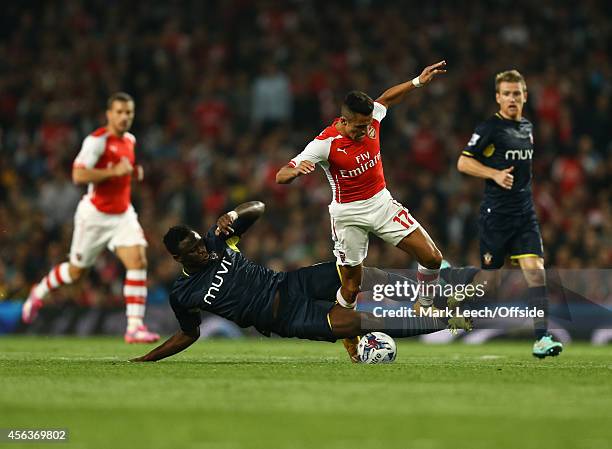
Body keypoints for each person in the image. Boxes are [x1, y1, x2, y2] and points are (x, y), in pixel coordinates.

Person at [130, 201, 459, 363]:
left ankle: (436, 294)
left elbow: (258, 207)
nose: (202, 250)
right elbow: (189, 333)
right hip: (285, 317)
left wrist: (233, 214)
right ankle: (449, 320)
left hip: (290, 283)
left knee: (361, 274)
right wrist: (147, 359)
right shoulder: (184, 293)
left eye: (200, 243)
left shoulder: (218, 242)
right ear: (177, 258)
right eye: (193, 250)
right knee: (368, 321)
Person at [275, 61, 450, 355]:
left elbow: (387, 99)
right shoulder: (325, 143)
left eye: (366, 126)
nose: (363, 131)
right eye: (357, 128)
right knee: (352, 285)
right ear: (342, 121)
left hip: (381, 203)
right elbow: (281, 174)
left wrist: (417, 81)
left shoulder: (372, 120)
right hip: (348, 216)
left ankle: (425, 304)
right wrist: (293, 172)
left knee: (432, 257)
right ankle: (349, 336)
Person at [22, 92, 160, 344]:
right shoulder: (96, 141)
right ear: (109, 114)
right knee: (75, 273)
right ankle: (39, 290)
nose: (124, 117)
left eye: (128, 112)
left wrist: (132, 173)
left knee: (138, 260)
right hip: (95, 216)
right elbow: (78, 175)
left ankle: (134, 327)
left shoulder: (130, 140)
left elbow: (122, 174)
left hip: (122, 214)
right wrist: (112, 171)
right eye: (118, 112)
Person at [457, 70, 563, 358]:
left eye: (517, 93)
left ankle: (541, 339)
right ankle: (452, 303)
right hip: (496, 216)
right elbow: (463, 163)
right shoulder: (490, 127)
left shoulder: (528, 127)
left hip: (525, 215)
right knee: (490, 280)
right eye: (507, 93)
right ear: (498, 97)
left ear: (525, 96)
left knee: (536, 272)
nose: (512, 98)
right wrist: (493, 173)